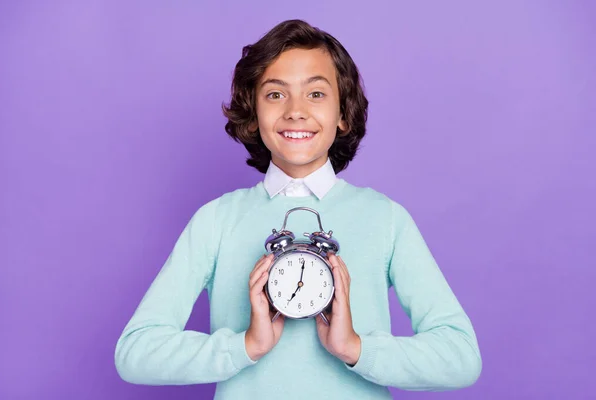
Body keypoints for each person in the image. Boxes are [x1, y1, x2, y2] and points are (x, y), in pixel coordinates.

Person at [114, 19, 482, 399]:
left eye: (316, 94)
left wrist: (356, 348)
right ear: (253, 112)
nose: (295, 111)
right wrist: (246, 345)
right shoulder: (216, 220)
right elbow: (135, 353)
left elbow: (461, 356)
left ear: (343, 113)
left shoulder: (385, 218)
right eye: (275, 95)